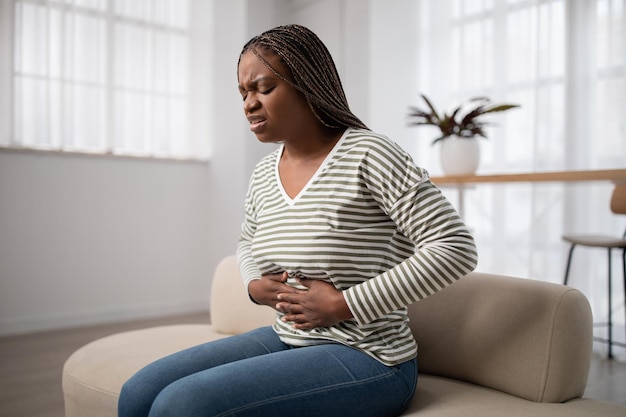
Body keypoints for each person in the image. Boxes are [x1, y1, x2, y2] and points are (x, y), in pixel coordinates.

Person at [118, 24, 477, 417]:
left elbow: (454, 247)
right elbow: (247, 241)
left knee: (182, 405)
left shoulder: (371, 154)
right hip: (287, 336)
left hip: (370, 356)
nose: (249, 104)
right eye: (243, 93)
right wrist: (254, 283)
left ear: (307, 84)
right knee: (139, 391)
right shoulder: (264, 172)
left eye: (264, 88)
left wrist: (344, 304)